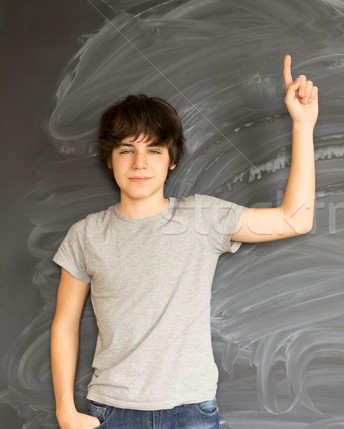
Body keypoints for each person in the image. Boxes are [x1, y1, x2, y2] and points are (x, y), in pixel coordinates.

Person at [50, 55, 318, 429]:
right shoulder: (86, 234)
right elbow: (65, 322)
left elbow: (296, 218)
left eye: (154, 150)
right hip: (112, 411)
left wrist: (303, 126)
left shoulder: (202, 217)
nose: (139, 163)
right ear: (109, 159)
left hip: (190, 412)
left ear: (171, 160)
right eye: (126, 150)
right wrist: (65, 408)